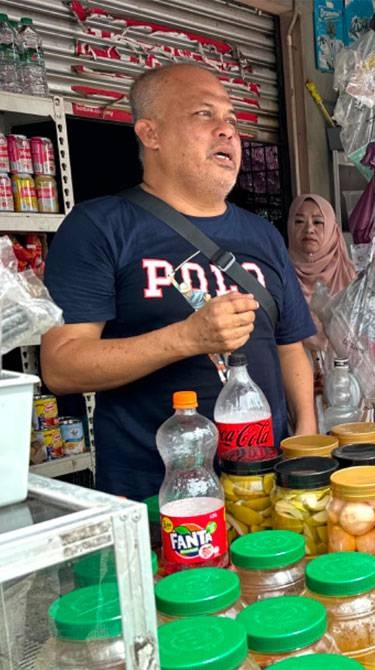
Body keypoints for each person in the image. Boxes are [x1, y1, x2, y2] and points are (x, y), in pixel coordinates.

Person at [41, 63, 317, 500]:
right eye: (204, 115)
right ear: (150, 134)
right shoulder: (99, 226)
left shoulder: (262, 235)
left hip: (266, 489)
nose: (227, 131)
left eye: (231, 119)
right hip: (158, 499)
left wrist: (305, 437)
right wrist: (187, 337)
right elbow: (61, 366)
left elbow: (289, 346)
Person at [286, 193, 356, 356]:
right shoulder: (279, 276)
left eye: (318, 222)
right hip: (294, 370)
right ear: (290, 226)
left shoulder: (350, 277)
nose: (309, 229)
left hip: (344, 372)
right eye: (299, 221)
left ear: (332, 228)